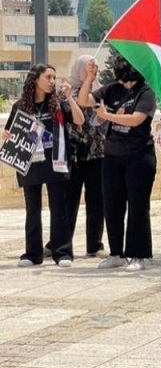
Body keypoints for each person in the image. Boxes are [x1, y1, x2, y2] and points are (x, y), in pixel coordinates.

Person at [78, 55, 157, 272]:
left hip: (139, 156)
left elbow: (136, 119)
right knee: (112, 205)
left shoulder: (146, 92)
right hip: (113, 156)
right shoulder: (112, 90)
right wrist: (89, 77)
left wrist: (108, 116)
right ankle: (116, 253)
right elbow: (83, 100)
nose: (114, 73)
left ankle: (139, 254)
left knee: (138, 206)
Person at [2, 64, 85, 267]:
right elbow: (10, 132)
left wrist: (70, 98)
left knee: (58, 208)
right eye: (48, 77)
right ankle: (32, 254)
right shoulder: (21, 106)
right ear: (35, 79)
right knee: (32, 209)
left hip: (55, 162)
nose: (52, 81)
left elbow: (79, 120)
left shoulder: (58, 103)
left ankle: (62, 252)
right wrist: (6, 135)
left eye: (54, 77)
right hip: (30, 164)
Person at [64, 55, 106, 258]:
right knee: (68, 201)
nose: (91, 71)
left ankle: (94, 244)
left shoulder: (100, 92)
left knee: (96, 200)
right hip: (73, 154)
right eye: (87, 68)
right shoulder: (66, 92)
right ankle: (62, 243)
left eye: (94, 67)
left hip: (96, 153)